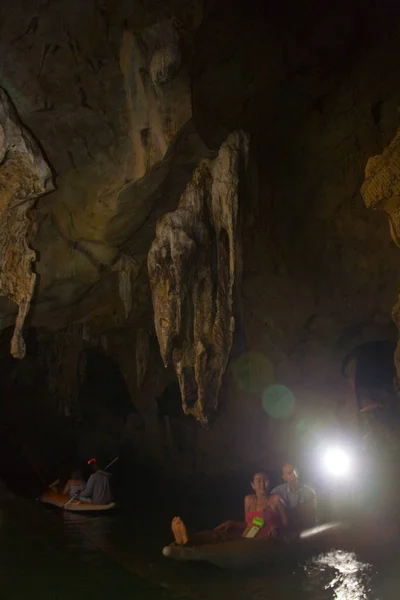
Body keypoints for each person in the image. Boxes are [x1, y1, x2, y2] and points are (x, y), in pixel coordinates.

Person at [171, 470, 287, 545]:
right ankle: (187, 538)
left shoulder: (276, 499)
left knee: (225, 539)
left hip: (266, 540)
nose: (262, 484)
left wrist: (276, 527)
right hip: (250, 535)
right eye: (258, 481)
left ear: (269, 483)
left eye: (265, 481)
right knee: (219, 533)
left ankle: (189, 540)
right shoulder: (249, 500)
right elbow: (248, 524)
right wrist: (232, 523)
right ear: (252, 485)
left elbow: (287, 524)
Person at [271, 463, 316, 530]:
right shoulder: (276, 492)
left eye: (295, 472)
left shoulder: (309, 492)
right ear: (284, 477)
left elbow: (312, 516)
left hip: (305, 528)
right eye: (290, 473)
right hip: (285, 529)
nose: (294, 475)